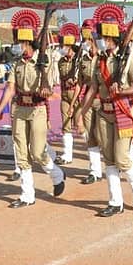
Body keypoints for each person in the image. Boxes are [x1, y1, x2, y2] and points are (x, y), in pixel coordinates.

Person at [73, 5, 133, 216]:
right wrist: (81, 112)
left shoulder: (127, 59)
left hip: (122, 112)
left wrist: (123, 91)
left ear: (111, 38)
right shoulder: (100, 61)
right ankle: (116, 202)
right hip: (104, 113)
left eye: (102, 37)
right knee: (109, 160)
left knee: (122, 158)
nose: (98, 40)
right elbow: (93, 89)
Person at [0, 10, 65, 208]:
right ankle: (27, 195)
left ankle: (57, 175)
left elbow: (49, 89)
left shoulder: (43, 62)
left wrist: (45, 89)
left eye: (19, 42)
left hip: (37, 108)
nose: (16, 45)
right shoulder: (17, 63)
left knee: (38, 152)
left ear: (27, 43)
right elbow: (10, 88)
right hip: (19, 109)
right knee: (21, 151)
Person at [55, 23, 81, 165]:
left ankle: (93, 150)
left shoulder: (79, 60)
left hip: (77, 97)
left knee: (80, 125)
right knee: (66, 126)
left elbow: (80, 82)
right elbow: (61, 78)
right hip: (65, 95)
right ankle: (67, 155)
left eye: (62, 45)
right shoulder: (60, 62)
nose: (61, 48)